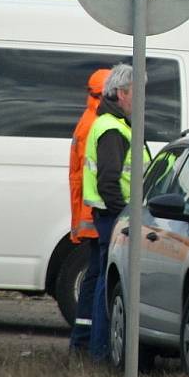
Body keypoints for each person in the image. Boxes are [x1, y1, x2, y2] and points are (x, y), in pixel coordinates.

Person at [82, 64, 149, 361]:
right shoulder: (112, 128)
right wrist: (124, 219)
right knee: (109, 285)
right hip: (116, 217)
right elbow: (109, 182)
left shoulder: (117, 123)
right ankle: (101, 350)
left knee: (104, 282)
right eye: (139, 92)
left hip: (115, 215)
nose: (143, 98)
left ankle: (99, 348)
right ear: (122, 93)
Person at [69, 68, 111, 353]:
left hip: (89, 214)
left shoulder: (90, 120)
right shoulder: (95, 124)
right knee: (97, 279)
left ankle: (84, 339)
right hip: (95, 215)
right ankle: (87, 341)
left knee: (93, 277)